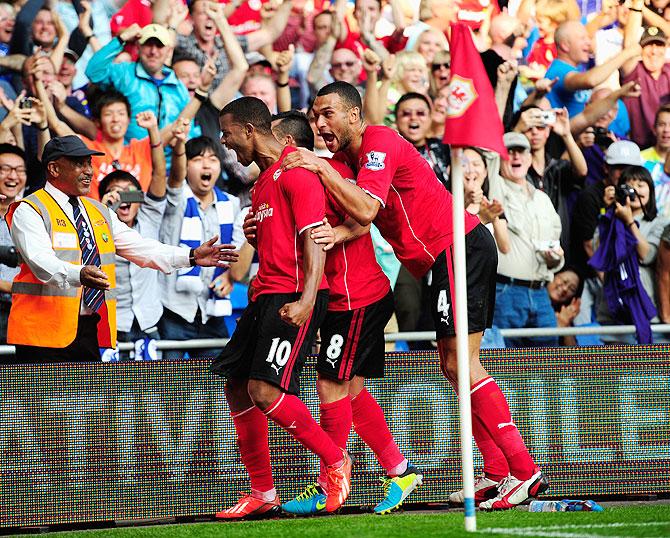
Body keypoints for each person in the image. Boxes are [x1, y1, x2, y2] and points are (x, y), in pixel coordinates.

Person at [282, 81, 548, 510]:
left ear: (354, 114)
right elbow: (364, 219)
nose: (319, 123)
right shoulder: (348, 160)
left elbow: (367, 208)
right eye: (315, 116)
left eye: (327, 113)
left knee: (462, 361)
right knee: (452, 365)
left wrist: (319, 166)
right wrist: (339, 226)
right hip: (440, 259)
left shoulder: (379, 142)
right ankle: (498, 472)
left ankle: (523, 471)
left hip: (458, 245)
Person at [269, 110, 422, 515]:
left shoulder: (330, 169)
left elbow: (366, 214)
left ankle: (329, 482)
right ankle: (399, 470)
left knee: (329, 387)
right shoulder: (280, 181)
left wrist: (337, 233)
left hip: (358, 296)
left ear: (286, 142)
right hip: (335, 298)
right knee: (349, 389)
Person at [211, 97, 352, 519]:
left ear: (250, 131)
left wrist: (308, 297)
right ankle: (263, 492)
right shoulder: (264, 180)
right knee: (237, 385)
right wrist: (255, 231)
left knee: (264, 389)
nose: (226, 143)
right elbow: (283, 234)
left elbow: (314, 236)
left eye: (228, 133)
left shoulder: (296, 169)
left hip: (293, 293)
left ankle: (336, 460)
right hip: (264, 293)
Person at [6, 135, 237, 363]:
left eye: (89, 163)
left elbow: (141, 247)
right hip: (41, 332)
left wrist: (191, 256)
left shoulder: (98, 211)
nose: (89, 171)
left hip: (87, 329)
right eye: (79, 163)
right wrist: (80, 274)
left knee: (89, 401)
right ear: (54, 169)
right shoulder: (30, 209)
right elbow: (41, 262)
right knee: (43, 402)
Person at [158, 136, 242, 359]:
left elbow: (239, 248)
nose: (207, 165)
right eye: (198, 159)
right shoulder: (174, 201)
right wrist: (177, 147)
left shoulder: (232, 204)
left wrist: (231, 277)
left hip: (213, 309)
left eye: (213, 159)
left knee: (215, 387)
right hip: (174, 310)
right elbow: (175, 179)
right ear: (186, 165)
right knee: (170, 385)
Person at [97, 111, 169, 356]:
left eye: (129, 192)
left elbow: (159, 175)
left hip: (149, 323)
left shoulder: (150, 217)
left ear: (140, 198)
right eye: (115, 193)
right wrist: (104, 213)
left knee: (153, 392)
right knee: (109, 391)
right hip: (111, 324)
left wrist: (153, 132)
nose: (122, 198)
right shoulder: (94, 225)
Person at [487, 132, 565, 348]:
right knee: (503, 365)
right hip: (506, 291)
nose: (515, 157)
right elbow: (490, 156)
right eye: (508, 152)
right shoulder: (495, 188)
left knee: (546, 366)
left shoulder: (543, 199)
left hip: (541, 293)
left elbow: (556, 246)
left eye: (520, 151)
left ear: (530, 158)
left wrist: (555, 259)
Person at [85, 23, 192, 141]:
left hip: (168, 157)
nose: (153, 51)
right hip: (131, 155)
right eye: (148, 44)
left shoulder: (178, 86)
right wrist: (121, 39)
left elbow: (190, 127)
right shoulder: (124, 73)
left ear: (169, 51)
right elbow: (93, 72)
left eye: (159, 46)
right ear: (138, 47)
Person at [545, 20, 640, 117]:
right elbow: (591, 80)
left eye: (588, 38)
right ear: (565, 45)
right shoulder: (559, 71)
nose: (589, 43)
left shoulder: (574, 69)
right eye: (582, 38)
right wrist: (627, 53)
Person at [621, 0, 670, 149]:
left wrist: (642, 7)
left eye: (659, 45)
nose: (654, 51)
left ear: (666, 48)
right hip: (638, 150)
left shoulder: (668, 70)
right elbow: (628, 46)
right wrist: (636, 8)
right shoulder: (634, 71)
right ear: (640, 50)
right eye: (649, 45)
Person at [0, 143, 24, 344]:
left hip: (25, 307)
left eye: (19, 170)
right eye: (5, 169)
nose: (13, 176)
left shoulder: (33, 215)